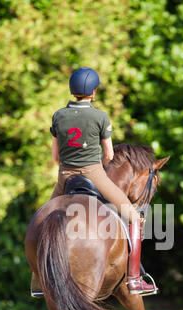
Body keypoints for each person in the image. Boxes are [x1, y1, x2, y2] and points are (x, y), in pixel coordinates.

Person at [31, 67, 157, 297]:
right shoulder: (100, 116)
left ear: (72, 90)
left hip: (65, 176)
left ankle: (38, 281)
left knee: (42, 220)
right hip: (94, 174)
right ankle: (135, 279)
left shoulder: (59, 115)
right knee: (134, 218)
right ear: (94, 91)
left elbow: (56, 157)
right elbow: (108, 155)